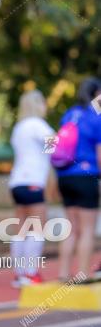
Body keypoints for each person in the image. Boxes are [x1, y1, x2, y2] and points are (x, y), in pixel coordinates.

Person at [55, 77, 101, 280]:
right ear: (96, 93)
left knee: (71, 229)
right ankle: (82, 274)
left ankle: (63, 274)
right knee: (87, 229)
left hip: (64, 176)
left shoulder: (68, 114)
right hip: (86, 174)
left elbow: (55, 145)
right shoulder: (96, 117)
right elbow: (100, 155)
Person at [8, 89, 54, 286]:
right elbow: (55, 145)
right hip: (33, 180)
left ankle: (20, 274)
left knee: (21, 228)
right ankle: (30, 273)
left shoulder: (19, 128)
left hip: (17, 181)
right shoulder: (38, 125)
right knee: (37, 227)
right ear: (37, 105)